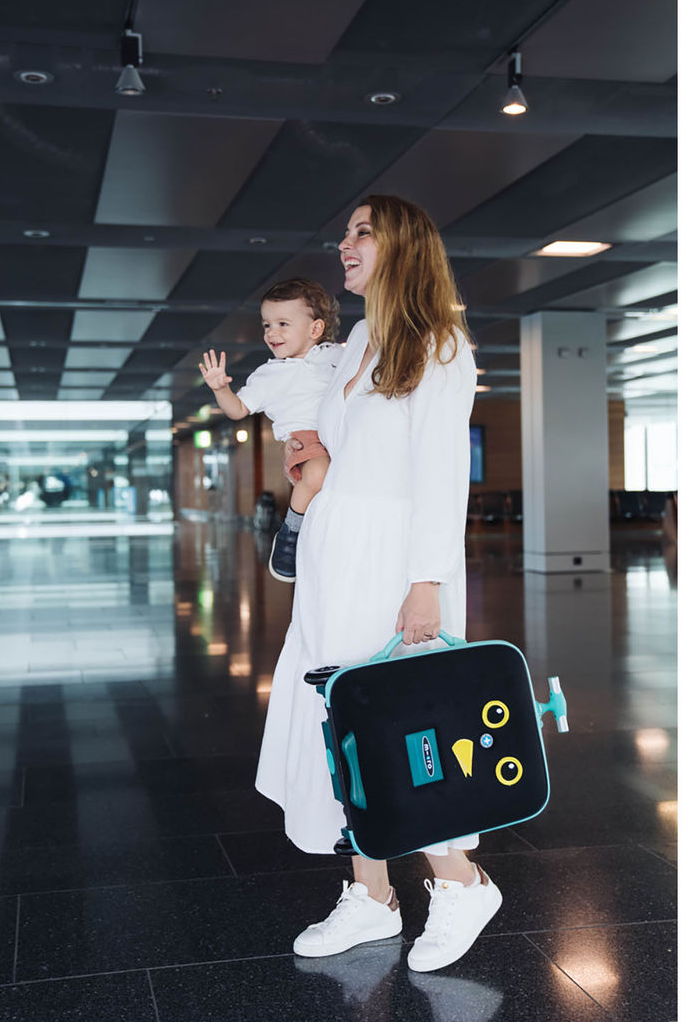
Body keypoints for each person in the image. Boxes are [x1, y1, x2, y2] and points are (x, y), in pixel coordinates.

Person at [255, 195, 501, 973]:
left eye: (362, 231)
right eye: (345, 231)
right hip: (337, 559)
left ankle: (461, 885)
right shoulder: (359, 338)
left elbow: (440, 475)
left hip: (394, 560)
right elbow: (343, 443)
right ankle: (372, 896)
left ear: (402, 246)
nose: (345, 242)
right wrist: (312, 462)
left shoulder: (441, 345)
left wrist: (426, 581)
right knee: (343, 726)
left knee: (402, 724)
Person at [199, 278, 341, 582]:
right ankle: (291, 531)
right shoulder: (269, 375)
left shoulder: (335, 356)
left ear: (315, 329)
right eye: (266, 325)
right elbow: (238, 409)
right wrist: (221, 389)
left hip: (341, 435)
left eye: (282, 324)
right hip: (307, 438)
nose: (271, 333)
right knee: (318, 473)